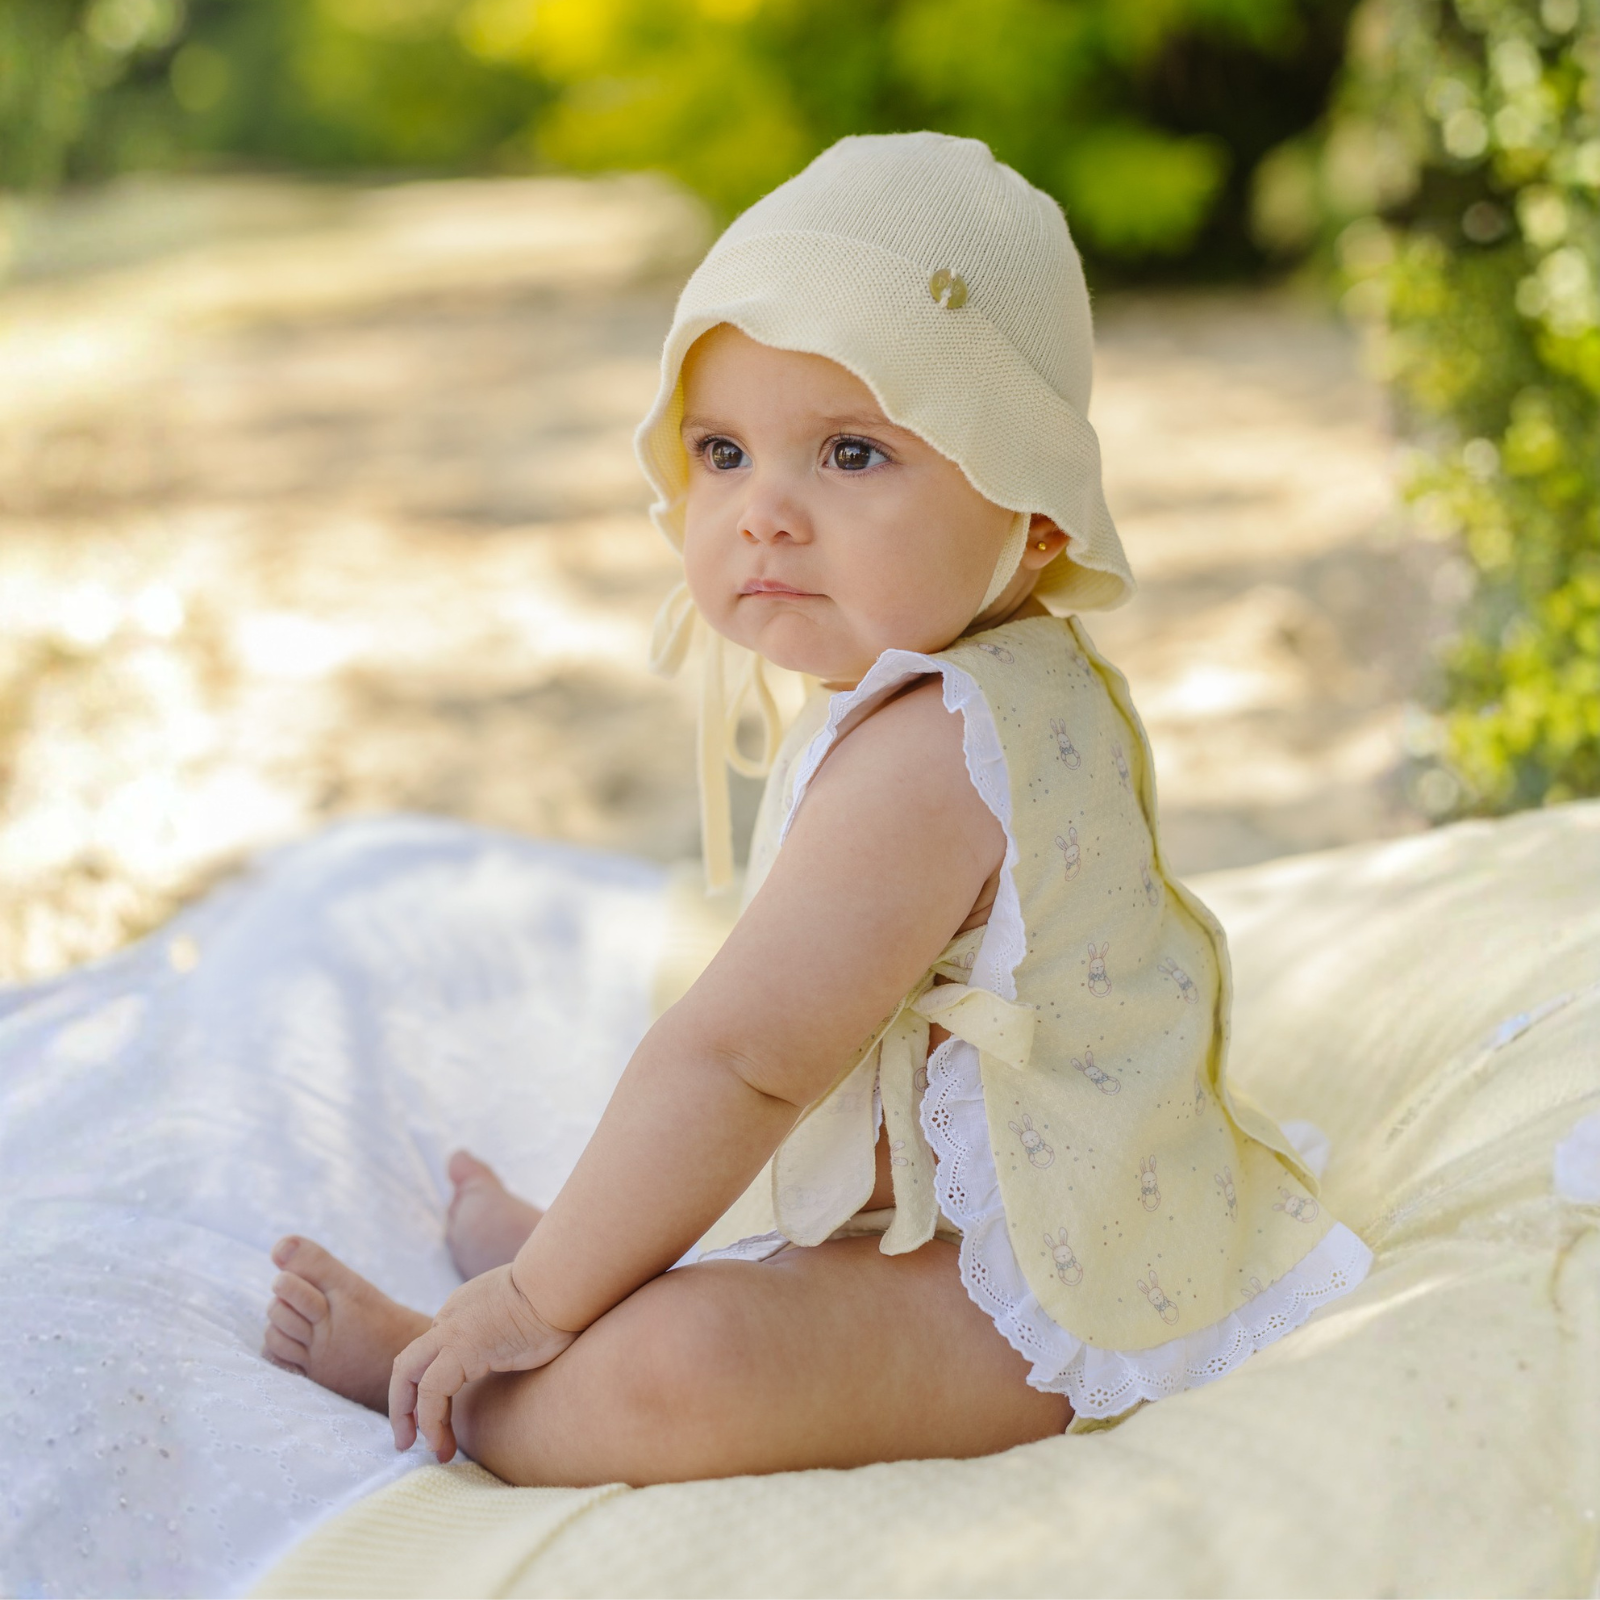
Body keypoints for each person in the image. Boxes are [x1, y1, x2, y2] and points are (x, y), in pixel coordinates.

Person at [261, 132, 1373, 1486]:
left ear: (1033, 519)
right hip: (982, 1207)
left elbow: (741, 1062)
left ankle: (460, 1373)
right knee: (707, 1241)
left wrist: (533, 1305)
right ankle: (577, 1251)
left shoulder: (937, 751)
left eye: (851, 454)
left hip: (1026, 1294)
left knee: (695, 1367)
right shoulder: (967, 673)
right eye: (722, 451)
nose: (763, 514)